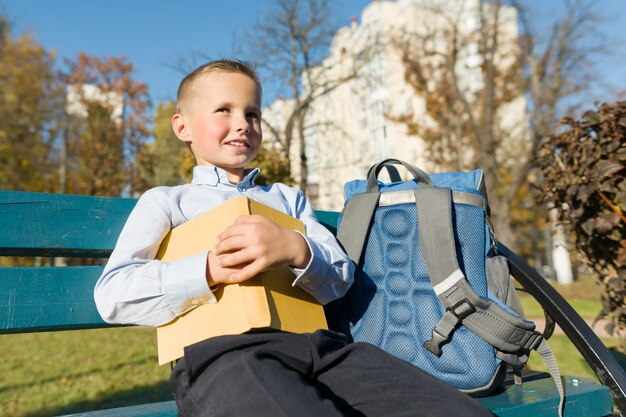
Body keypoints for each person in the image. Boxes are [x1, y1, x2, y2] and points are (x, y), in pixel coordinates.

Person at [94, 59, 492, 417]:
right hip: (223, 358)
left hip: (323, 350)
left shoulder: (287, 199)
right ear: (183, 127)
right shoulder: (168, 202)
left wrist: (297, 250)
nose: (242, 124)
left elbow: (340, 278)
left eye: (253, 113)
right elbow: (113, 294)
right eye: (224, 110)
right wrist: (208, 269)